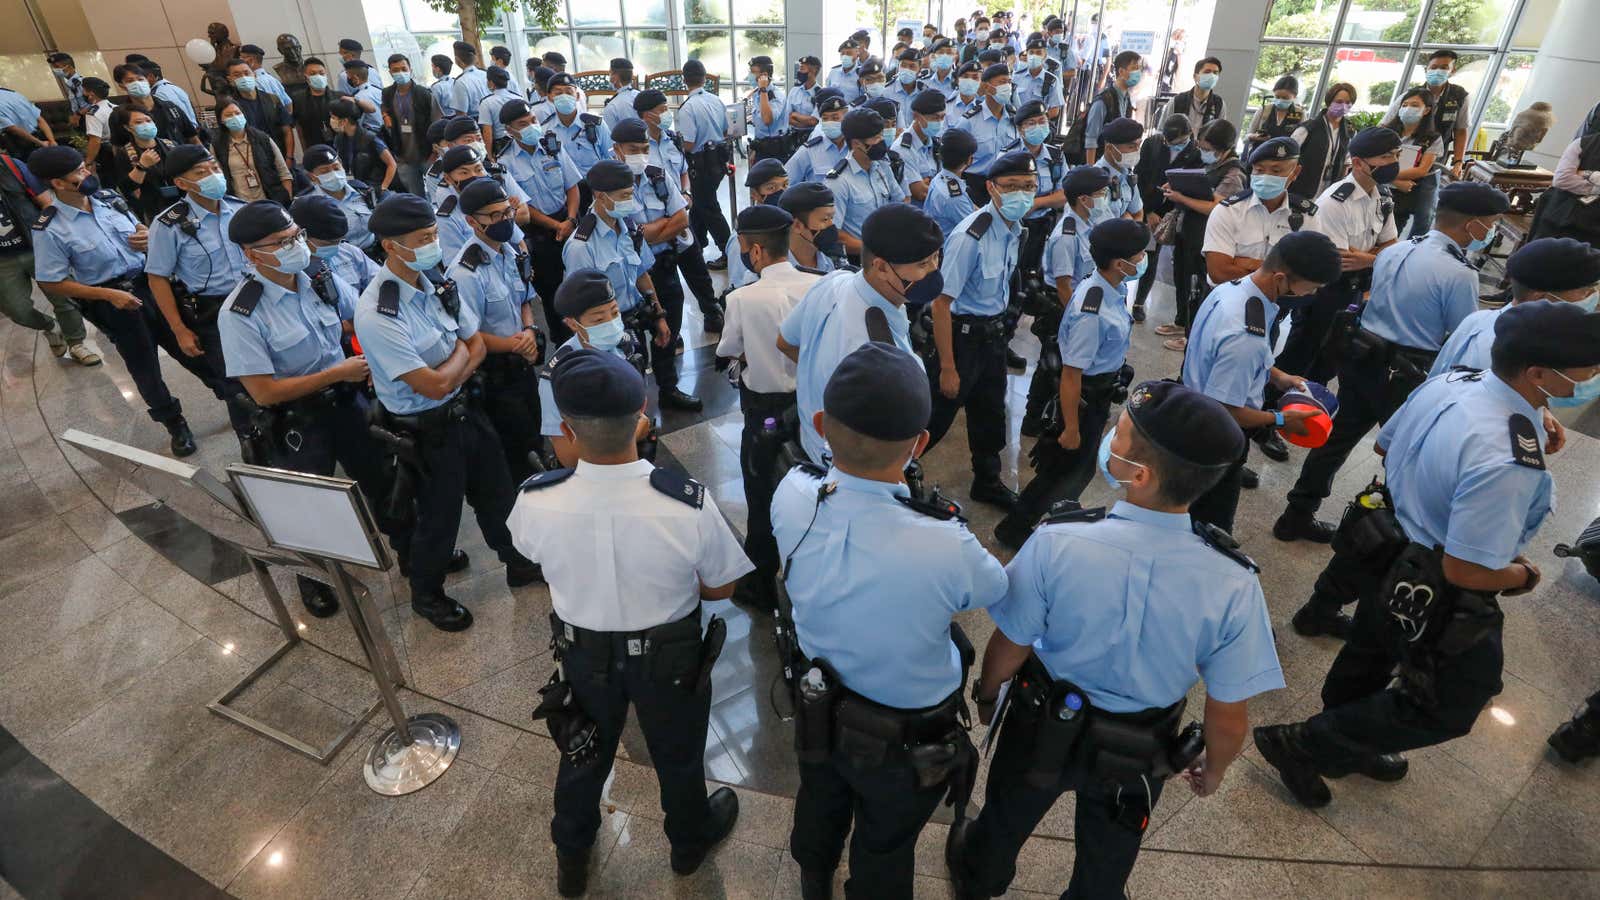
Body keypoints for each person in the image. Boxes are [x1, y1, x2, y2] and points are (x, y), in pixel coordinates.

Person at [1255, 300, 1600, 808]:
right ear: (1539, 373)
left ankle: (1347, 734)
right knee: (1451, 704)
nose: (1592, 375)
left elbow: (1385, 447)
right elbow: (1465, 567)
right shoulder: (1510, 456)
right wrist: (1522, 577)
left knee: (1371, 647)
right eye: (1586, 367)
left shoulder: (1453, 381)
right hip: (1434, 578)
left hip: (1384, 540)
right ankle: (1307, 744)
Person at [949, 380, 1284, 900]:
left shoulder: (1059, 541)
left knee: (1006, 813)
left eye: (1121, 435)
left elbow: (1010, 644)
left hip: (1043, 721)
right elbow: (1227, 712)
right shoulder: (1234, 583)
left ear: (1140, 475)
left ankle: (982, 876)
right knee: (1109, 856)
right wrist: (1213, 768)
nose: (1110, 437)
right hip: (1141, 745)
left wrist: (989, 692)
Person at [509, 347, 748, 898]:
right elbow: (722, 586)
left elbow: (531, 556)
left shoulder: (536, 499)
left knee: (582, 750)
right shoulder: (686, 504)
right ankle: (688, 842)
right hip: (670, 655)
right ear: (642, 415)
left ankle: (572, 854)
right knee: (679, 751)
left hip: (583, 652)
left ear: (566, 428)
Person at [776, 342, 1004, 900]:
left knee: (820, 801)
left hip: (818, 703)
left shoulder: (791, 493)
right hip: (907, 733)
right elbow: (997, 589)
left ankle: (813, 879)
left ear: (823, 424)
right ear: (919, 443)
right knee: (886, 841)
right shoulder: (945, 541)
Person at [1275, 183, 1509, 575]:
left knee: (1337, 439)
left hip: (1361, 355)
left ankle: (1295, 514)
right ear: (1472, 225)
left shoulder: (1397, 250)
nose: (1492, 231)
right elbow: (1463, 333)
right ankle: (1383, 541)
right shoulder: (1458, 273)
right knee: (1405, 458)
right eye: (1490, 223)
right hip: (1407, 372)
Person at [353, 193, 540, 631]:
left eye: (434, 234)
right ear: (391, 246)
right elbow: (433, 382)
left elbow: (474, 343)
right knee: (439, 518)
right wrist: (460, 358)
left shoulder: (435, 280)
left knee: (497, 495)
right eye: (422, 238)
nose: (433, 244)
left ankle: (518, 562)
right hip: (425, 429)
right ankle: (427, 594)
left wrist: (457, 362)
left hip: (465, 411)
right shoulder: (379, 311)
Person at [216, 199, 408, 615]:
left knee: (382, 476)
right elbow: (264, 392)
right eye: (282, 242)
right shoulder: (240, 313)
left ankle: (409, 548)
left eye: (297, 236)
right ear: (252, 254)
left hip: (347, 401)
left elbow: (355, 316)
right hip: (297, 417)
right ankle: (314, 578)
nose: (296, 246)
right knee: (310, 503)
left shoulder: (318, 276)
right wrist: (336, 373)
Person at [28, 146, 200, 454]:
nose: (88, 174)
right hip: (114, 301)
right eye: (79, 172)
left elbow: (140, 229)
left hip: (152, 285)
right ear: (58, 183)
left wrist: (146, 235)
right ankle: (175, 424)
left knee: (189, 344)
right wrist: (109, 295)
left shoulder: (110, 200)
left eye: (85, 167)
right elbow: (50, 281)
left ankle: (230, 395)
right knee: (145, 368)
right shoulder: (50, 227)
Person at [999, 216, 1148, 548]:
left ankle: (1057, 513)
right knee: (1063, 472)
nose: (1142, 260)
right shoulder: (1090, 311)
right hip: (1083, 400)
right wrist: (1070, 427)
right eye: (1138, 255)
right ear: (1119, 262)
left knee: (1078, 470)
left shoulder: (1111, 286)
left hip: (1099, 391)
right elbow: (1071, 374)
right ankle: (1014, 530)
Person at [1181, 230, 1343, 534]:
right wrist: (1281, 419)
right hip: (1213, 437)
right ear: (1281, 278)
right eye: (1312, 287)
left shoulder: (1237, 290)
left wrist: (1278, 375)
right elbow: (1225, 410)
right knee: (1211, 525)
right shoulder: (1245, 335)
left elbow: (1230, 356)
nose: (1312, 294)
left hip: (1192, 403)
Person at [778, 203, 943, 465]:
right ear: (881, 267)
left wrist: (822, 371)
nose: (934, 269)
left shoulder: (834, 281)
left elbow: (785, 341)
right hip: (846, 468)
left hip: (810, 438)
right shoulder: (877, 350)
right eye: (923, 263)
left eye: (936, 257)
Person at [716, 204, 819, 609]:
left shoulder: (742, 298)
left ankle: (761, 584)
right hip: (810, 404)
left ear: (755, 251)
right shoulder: (817, 284)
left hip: (763, 410)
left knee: (760, 493)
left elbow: (728, 349)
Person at [922, 151, 1037, 508]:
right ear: (991, 188)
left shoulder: (1014, 230)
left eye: (1029, 186)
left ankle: (986, 481)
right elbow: (941, 303)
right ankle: (894, 474)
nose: (1022, 193)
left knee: (990, 414)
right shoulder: (970, 236)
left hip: (993, 338)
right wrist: (948, 366)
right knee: (934, 419)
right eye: (1012, 187)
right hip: (961, 341)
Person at [1268, 126, 1400, 433]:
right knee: (1300, 355)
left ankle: (1309, 409)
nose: (1393, 161)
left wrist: (1368, 256)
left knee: (1330, 359)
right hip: (1325, 291)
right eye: (1384, 156)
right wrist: (1376, 254)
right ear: (1358, 162)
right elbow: (1341, 258)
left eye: (1395, 154)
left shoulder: (1382, 197)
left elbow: (1392, 246)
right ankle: (1270, 416)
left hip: (1355, 291)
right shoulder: (1336, 201)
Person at [145, 144, 257, 443]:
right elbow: (157, 278)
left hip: (258, 302)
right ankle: (251, 440)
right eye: (201, 173)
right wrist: (179, 329)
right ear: (182, 183)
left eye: (215, 169)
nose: (213, 176)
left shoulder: (240, 209)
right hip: (214, 312)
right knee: (234, 384)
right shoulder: (168, 225)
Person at [444, 178, 544, 484]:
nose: (505, 220)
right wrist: (514, 344)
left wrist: (528, 329)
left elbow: (523, 297)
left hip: (522, 358)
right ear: (473, 222)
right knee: (515, 449)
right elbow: (468, 334)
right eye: (496, 216)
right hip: (495, 372)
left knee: (536, 432)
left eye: (507, 212)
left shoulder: (508, 250)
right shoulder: (465, 273)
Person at [603, 120, 703, 410]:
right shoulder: (606, 183)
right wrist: (659, 227)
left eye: (645, 148)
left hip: (664, 265)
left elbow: (682, 220)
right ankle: (637, 404)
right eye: (633, 149)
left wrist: (645, 232)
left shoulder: (658, 176)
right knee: (632, 343)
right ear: (617, 150)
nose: (641, 155)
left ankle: (669, 389)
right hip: (629, 275)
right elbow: (623, 232)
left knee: (667, 333)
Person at [561, 158, 676, 401]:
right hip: (605, 331)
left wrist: (659, 314)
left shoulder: (629, 229)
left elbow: (642, 273)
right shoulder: (581, 246)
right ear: (600, 196)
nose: (630, 202)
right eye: (624, 196)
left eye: (630, 194)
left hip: (633, 323)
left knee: (637, 381)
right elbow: (581, 305)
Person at [1022, 165, 1113, 436]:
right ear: (1084, 199)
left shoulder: (1090, 223)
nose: (1105, 197)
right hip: (1063, 306)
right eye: (1101, 193)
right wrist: (1078, 320)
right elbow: (1063, 285)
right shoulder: (1067, 235)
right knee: (1053, 364)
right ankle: (1033, 418)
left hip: (1079, 302)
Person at [1429, 237, 1600, 377]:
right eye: (1585, 291)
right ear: (1541, 298)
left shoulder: (1481, 319)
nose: (1593, 297)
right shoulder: (1510, 360)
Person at [0, 150, 95, 365]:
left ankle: (76, 342)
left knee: (64, 297)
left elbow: (46, 202)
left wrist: (53, 235)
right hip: (3, 260)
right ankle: (51, 327)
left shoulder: (10, 165)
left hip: (36, 245)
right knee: (17, 310)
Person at [497, 97, 580, 341]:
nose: (533, 125)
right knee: (552, 291)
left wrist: (572, 219)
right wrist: (556, 226)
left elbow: (572, 185)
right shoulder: (505, 163)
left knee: (581, 280)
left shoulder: (553, 146)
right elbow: (523, 207)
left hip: (569, 221)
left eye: (533, 120)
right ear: (510, 131)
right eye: (524, 124)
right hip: (539, 232)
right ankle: (563, 342)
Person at [1203, 136, 1320, 287]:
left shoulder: (1307, 217)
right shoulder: (1229, 211)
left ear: (1295, 172)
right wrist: (1280, 273)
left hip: (1279, 305)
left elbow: (1308, 277)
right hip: (1227, 297)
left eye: (1276, 170)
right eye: (1259, 170)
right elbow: (1219, 273)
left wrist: (1246, 263)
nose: (1266, 176)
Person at [1131, 114, 1200, 322]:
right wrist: (1146, 210)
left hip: (1167, 214)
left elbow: (1190, 187)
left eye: (1178, 141)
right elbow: (1139, 178)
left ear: (1189, 135)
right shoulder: (1152, 144)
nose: (1173, 145)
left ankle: (1139, 303)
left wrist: (1162, 215)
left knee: (1151, 257)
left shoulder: (1195, 153)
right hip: (1142, 206)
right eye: (1169, 141)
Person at [825, 108, 910, 263]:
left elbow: (901, 202)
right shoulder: (838, 181)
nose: (882, 142)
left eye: (881, 136)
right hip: (859, 260)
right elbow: (835, 234)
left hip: (888, 253)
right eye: (876, 139)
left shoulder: (882, 166)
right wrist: (876, 252)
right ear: (857, 143)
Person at [677, 60, 733, 260]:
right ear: (704, 78)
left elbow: (689, 144)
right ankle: (698, 243)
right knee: (701, 204)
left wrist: (675, 142)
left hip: (700, 165)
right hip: (718, 161)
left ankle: (729, 250)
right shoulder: (716, 100)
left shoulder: (687, 108)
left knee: (708, 208)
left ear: (684, 80)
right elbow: (727, 130)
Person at [950, 63, 1019, 204]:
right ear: (987, 87)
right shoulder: (969, 121)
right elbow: (954, 160)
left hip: (1005, 187)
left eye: (1009, 82)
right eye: (1001, 82)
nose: (1007, 87)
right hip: (975, 187)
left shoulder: (1015, 119)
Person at [1528, 119, 1600, 247]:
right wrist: (1596, 188)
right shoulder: (1582, 144)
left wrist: (1584, 173)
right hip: (1560, 217)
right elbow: (1562, 179)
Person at [1382, 87, 1442, 238]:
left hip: (1409, 192)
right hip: (1381, 187)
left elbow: (1422, 170)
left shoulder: (1432, 138)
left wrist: (1391, 178)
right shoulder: (1386, 132)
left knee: (1394, 233)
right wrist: (1394, 180)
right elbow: (1371, 163)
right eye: (1404, 105)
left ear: (1427, 110)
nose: (1408, 109)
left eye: (1415, 105)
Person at [720, 158, 788, 288]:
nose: (781, 193)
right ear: (755, 194)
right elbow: (740, 287)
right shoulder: (742, 239)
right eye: (771, 188)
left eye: (785, 185)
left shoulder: (789, 223)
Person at [300, 143, 380, 255]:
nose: (334, 174)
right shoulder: (308, 204)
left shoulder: (361, 190)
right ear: (312, 176)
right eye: (325, 171)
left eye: (336, 167)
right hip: (341, 260)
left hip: (375, 251)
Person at [108, 106, 183, 223]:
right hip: (154, 209)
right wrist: (142, 166)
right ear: (127, 127)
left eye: (148, 120)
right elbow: (126, 188)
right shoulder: (125, 153)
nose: (145, 124)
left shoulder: (171, 145)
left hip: (181, 201)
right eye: (139, 122)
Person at [292, 192, 379, 293]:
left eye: (339, 241)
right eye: (327, 244)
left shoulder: (349, 252)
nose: (336, 248)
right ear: (301, 236)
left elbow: (380, 281)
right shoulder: (292, 270)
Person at [212, 99, 293, 204]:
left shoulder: (263, 139)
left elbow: (284, 174)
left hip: (272, 201)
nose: (235, 117)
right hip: (241, 205)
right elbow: (218, 181)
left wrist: (286, 200)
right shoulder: (217, 146)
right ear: (221, 120)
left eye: (237, 113)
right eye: (228, 115)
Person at [381, 53, 438, 195]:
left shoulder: (423, 93)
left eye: (403, 68)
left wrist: (435, 150)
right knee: (415, 195)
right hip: (403, 155)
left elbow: (437, 121)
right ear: (390, 72)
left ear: (410, 70)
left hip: (427, 154)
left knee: (437, 192)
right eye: (395, 70)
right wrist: (384, 115)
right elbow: (385, 109)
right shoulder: (387, 93)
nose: (400, 73)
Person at [1290, 82, 1354, 200]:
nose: (1343, 106)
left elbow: (1346, 164)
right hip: (1301, 191)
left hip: (1328, 194)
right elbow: (1288, 158)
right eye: (1339, 102)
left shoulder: (1347, 133)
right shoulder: (1308, 128)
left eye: (1348, 103)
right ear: (1329, 101)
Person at [224, 58, 294, 156]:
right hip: (254, 158)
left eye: (246, 73)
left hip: (280, 153)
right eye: (237, 75)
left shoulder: (272, 99)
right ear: (230, 79)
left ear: (254, 75)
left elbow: (287, 130)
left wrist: (289, 157)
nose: (243, 77)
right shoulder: (232, 107)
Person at [1419, 49, 1470, 182]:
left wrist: (1458, 162)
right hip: (1412, 151)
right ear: (1427, 69)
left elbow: (1460, 130)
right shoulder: (1414, 95)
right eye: (1434, 67)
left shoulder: (1459, 96)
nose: (1437, 71)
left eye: (1444, 68)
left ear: (1452, 71)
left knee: (1428, 190)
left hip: (1438, 157)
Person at [115, 64, 196, 146]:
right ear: (122, 86)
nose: (137, 83)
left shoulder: (170, 107)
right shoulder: (120, 114)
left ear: (148, 80)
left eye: (140, 79)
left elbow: (193, 138)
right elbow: (118, 147)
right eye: (130, 81)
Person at [1083, 50, 1140, 164]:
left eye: (1138, 68)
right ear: (1121, 71)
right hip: (1101, 163)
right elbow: (1091, 140)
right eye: (1134, 68)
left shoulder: (1126, 99)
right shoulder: (1103, 101)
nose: (1138, 72)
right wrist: (1091, 171)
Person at [786, 90, 851, 185]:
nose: (829, 122)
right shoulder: (809, 150)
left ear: (846, 118)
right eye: (825, 118)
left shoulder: (856, 147)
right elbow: (785, 181)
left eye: (835, 118)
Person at [329, 99, 397, 190]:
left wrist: (383, 188)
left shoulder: (370, 138)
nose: (331, 121)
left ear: (344, 121)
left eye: (333, 117)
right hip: (354, 186)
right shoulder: (339, 139)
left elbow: (392, 164)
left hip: (374, 186)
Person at [1162, 56, 1225, 134]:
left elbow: (1220, 133)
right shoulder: (1177, 101)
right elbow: (1162, 130)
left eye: (1215, 73)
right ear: (1195, 76)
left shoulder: (1219, 104)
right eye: (1207, 72)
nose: (1211, 76)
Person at [1246, 75, 1304, 156]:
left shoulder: (1300, 114)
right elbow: (1248, 134)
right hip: (1260, 155)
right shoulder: (1264, 110)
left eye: (1285, 98)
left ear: (1294, 96)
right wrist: (1254, 137)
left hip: (1284, 159)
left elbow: (1302, 141)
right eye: (1277, 97)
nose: (1280, 100)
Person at [1013, 36, 1064, 126]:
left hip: (1038, 126)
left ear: (1044, 56)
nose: (1034, 56)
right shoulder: (1016, 77)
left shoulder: (1052, 80)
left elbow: (1055, 110)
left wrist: (1038, 122)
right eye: (1031, 53)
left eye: (1038, 53)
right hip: (1017, 123)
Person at [746, 54, 786, 162]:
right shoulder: (757, 93)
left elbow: (767, 120)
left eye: (753, 72)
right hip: (761, 147)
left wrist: (764, 90)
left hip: (774, 150)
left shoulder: (776, 95)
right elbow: (760, 127)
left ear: (764, 75)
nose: (749, 75)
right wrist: (755, 149)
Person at [293, 57, 337, 150]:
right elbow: (298, 127)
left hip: (339, 145)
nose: (318, 76)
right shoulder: (298, 99)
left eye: (321, 73)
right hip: (314, 146)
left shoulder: (339, 97)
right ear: (306, 77)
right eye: (313, 74)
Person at [477, 66, 520, 157]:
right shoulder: (518, 98)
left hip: (501, 146)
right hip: (520, 141)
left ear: (491, 83)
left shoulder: (486, 103)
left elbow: (487, 131)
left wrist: (489, 155)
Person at [238, 45, 292, 114]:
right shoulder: (272, 79)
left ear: (251, 60)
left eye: (242, 57)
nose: (240, 60)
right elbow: (288, 103)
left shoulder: (253, 83)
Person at [783, 55, 822, 151]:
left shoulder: (820, 93)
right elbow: (787, 117)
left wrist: (795, 115)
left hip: (811, 138)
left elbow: (814, 121)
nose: (799, 72)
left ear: (813, 71)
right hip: (792, 139)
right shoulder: (794, 91)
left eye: (802, 69)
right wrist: (805, 121)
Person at [79, 78, 115, 175]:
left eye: (83, 91)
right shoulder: (115, 107)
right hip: (120, 149)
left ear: (91, 94)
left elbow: (95, 141)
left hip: (106, 153)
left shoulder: (93, 113)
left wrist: (88, 162)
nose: (82, 94)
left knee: (109, 182)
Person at [451, 41, 488, 117]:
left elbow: (461, 114)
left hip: (476, 124)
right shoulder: (486, 74)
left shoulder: (461, 82)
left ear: (457, 60)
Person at [602, 57, 639, 131]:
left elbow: (609, 137)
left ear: (615, 77)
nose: (609, 77)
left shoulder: (612, 107)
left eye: (610, 73)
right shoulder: (641, 95)